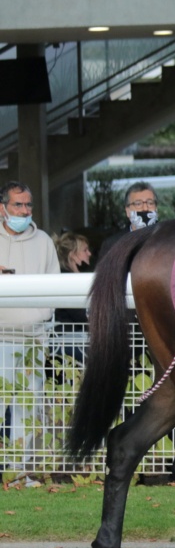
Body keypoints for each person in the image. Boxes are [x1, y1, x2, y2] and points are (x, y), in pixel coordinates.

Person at [0, 181, 60, 474]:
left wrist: (39, 316)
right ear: (3, 208)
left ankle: (20, 472)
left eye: (28, 205)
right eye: (17, 205)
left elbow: (56, 287)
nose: (24, 211)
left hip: (32, 340)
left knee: (26, 408)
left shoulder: (44, 242)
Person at [51, 232, 92, 364]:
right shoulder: (66, 280)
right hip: (67, 339)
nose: (89, 253)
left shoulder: (70, 277)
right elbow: (81, 315)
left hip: (74, 337)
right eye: (85, 250)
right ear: (72, 255)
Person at [97, 181, 159, 261]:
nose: (145, 208)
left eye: (150, 203)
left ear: (156, 209)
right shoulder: (112, 245)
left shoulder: (169, 240)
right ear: (128, 212)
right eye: (138, 204)